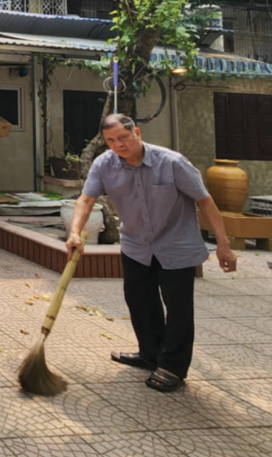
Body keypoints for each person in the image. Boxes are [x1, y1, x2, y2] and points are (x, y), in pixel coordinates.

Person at [66, 114, 238, 393]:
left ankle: (173, 367)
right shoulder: (104, 164)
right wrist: (75, 232)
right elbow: (86, 199)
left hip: (176, 245)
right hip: (136, 245)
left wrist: (223, 245)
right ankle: (150, 354)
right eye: (111, 141)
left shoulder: (171, 162)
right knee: (139, 301)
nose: (118, 145)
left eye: (123, 137)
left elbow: (205, 201)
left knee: (178, 309)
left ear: (136, 132)